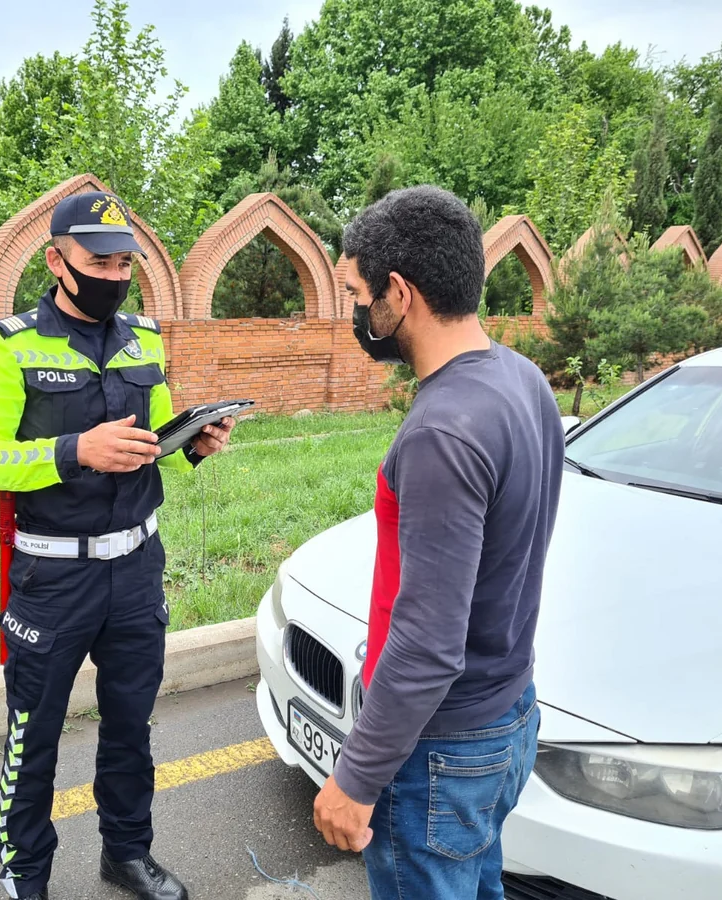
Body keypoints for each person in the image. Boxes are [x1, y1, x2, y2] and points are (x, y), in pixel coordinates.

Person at [0, 190, 235, 900]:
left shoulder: (144, 336)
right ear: (57, 260)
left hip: (137, 568)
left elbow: (156, 440)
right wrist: (76, 449)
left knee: (131, 725)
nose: (114, 275)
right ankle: (26, 877)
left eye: (124, 263)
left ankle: (127, 854)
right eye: (98, 261)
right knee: (34, 738)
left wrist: (192, 444)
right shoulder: (12, 344)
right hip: (53, 579)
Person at [312, 185, 564, 900]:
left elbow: (428, 642)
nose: (356, 313)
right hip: (508, 714)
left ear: (399, 292)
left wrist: (356, 778)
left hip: (442, 750)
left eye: (357, 294)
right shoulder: (522, 379)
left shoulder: (442, 433)